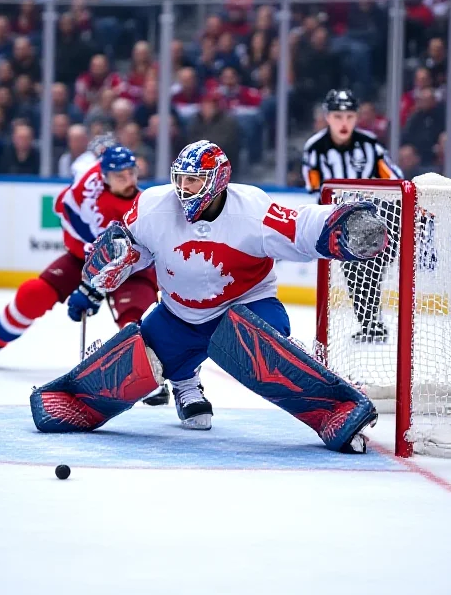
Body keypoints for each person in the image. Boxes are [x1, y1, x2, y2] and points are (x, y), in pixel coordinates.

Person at [30, 141, 389, 455]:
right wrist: (101, 273)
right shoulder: (153, 205)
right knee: (141, 359)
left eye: (194, 180)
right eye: (180, 179)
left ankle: (337, 412)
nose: (184, 189)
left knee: (260, 345)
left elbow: (300, 228)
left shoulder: (251, 209)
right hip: (178, 314)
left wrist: (337, 225)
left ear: (217, 180)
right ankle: (180, 383)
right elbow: (129, 251)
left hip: (247, 305)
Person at [0, 145, 168, 402]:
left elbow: (142, 253)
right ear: (105, 177)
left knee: (135, 319)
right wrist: (91, 274)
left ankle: (150, 378)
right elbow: (67, 217)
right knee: (34, 293)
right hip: (83, 259)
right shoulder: (86, 193)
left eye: (132, 173)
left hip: (132, 269)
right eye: (120, 176)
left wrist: (94, 289)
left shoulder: (145, 205)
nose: (129, 181)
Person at [302, 89, 402, 343]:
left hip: (378, 217)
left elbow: (394, 179)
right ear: (327, 117)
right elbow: (316, 190)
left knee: (369, 270)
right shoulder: (315, 148)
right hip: (340, 222)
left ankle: (371, 323)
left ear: (357, 117)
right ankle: (370, 323)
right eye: (337, 116)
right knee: (354, 272)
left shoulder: (370, 146)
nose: (343, 122)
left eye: (348, 116)